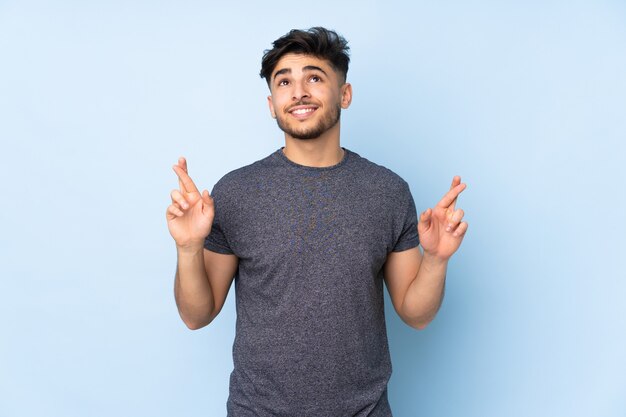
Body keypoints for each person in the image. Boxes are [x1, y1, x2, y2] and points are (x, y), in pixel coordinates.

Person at [166, 27, 468, 417]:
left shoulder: (387, 191)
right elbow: (196, 315)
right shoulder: (236, 193)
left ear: (344, 94)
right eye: (284, 81)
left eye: (314, 77)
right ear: (272, 104)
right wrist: (188, 248)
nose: (298, 92)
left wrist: (436, 260)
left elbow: (416, 314)